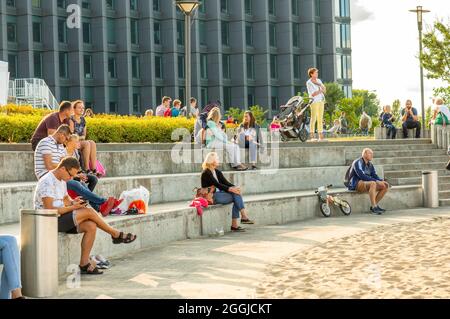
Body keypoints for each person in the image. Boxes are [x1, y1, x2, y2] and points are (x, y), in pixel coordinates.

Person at [34, 157, 137, 275]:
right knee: (88, 212)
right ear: (62, 168)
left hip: (60, 217)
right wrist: (73, 207)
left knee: (91, 226)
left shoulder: (62, 179)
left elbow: (65, 199)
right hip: (48, 221)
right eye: (70, 175)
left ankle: (84, 264)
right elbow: (49, 210)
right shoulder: (47, 181)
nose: (71, 178)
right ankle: (115, 234)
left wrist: (74, 202)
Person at [34, 125, 119, 216]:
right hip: (46, 176)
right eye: (66, 139)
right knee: (76, 184)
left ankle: (100, 207)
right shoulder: (46, 143)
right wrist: (74, 175)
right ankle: (103, 202)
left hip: (60, 174)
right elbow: (49, 165)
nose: (65, 142)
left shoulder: (60, 146)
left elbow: (67, 164)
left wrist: (76, 174)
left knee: (83, 182)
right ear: (61, 134)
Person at [201, 152, 254, 232]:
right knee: (235, 195)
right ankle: (238, 221)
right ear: (212, 161)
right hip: (212, 197)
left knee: (236, 194)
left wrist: (235, 187)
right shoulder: (206, 172)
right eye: (217, 158)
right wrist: (231, 189)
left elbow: (226, 183)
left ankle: (241, 219)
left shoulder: (217, 172)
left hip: (220, 194)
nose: (219, 160)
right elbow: (217, 185)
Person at [347, 148, 389, 215]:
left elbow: (374, 175)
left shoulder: (370, 165)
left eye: (372, 154)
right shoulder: (358, 162)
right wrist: (376, 181)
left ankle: (374, 206)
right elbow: (361, 176)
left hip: (366, 183)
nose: (372, 155)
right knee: (373, 183)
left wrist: (381, 181)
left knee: (385, 186)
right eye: (370, 153)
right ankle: (374, 207)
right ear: (364, 154)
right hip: (356, 183)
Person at [69, 100, 98, 174]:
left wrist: (80, 137)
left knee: (92, 142)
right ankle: (86, 169)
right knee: (87, 143)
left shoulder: (83, 120)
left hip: (80, 140)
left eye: (83, 108)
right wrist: (80, 137)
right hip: (73, 141)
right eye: (79, 108)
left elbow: (84, 136)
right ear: (74, 109)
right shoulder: (71, 119)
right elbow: (72, 134)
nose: (82, 109)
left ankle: (94, 169)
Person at [306, 68, 327, 142]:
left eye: (317, 72)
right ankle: (312, 135)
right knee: (313, 117)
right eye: (315, 73)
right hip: (314, 101)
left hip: (321, 100)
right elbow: (313, 94)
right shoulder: (309, 82)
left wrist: (319, 85)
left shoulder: (319, 81)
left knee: (320, 118)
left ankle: (320, 136)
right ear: (311, 74)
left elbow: (324, 89)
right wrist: (320, 90)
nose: (317, 74)